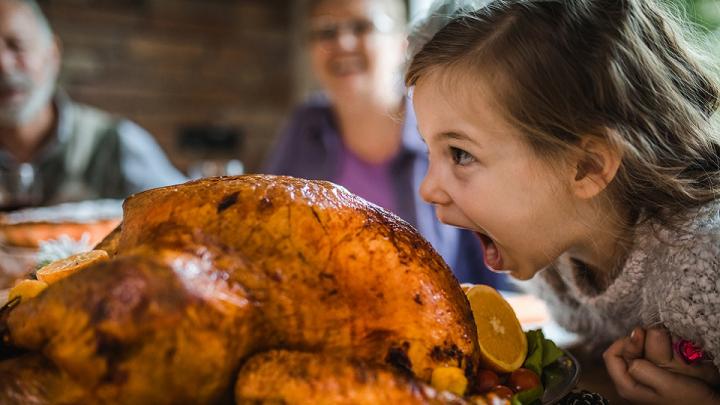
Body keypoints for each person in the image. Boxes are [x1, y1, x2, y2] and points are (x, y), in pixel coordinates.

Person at [406, 0, 720, 403]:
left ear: (587, 167)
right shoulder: (554, 261)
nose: (428, 189)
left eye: (460, 154)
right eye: (429, 150)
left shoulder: (705, 265)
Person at [264, 0, 508, 287]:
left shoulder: (446, 127)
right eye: (326, 31)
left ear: (401, 44)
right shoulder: (305, 127)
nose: (342, 42)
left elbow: (497, 268)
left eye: (362, 26)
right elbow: (268, 235)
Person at [0, 0, 185, 208]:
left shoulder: (116, 143)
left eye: (17, 45)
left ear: (52, 54)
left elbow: (186, 214)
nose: (3, 64)